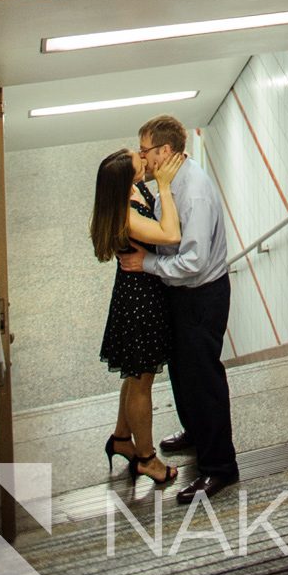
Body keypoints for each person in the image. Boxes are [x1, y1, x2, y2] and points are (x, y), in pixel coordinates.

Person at [118, 114, 239, 503]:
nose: (143, 158)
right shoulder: (174, 183)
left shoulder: (194, 193)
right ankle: (196, 432)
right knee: (182, 374)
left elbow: (194, 262)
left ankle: (220, 467)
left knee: (203, 380)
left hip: (201, 296)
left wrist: (146, 265)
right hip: (181, 293)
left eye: (145, 151)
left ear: (165, 151)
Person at [91, 144, 184, 489]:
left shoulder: (132, 190)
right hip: (139, 301)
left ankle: (120, 438)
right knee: (142, 380)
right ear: (126, 180)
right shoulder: (126, 214)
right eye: (138, 162)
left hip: (142, 293)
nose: (144, 161)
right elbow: (170, 234)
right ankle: (146, 459)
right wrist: (163, 186)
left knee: (133, 374)